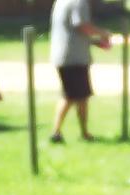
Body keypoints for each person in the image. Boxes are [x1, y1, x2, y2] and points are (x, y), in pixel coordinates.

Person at [49, 0, 111, 143]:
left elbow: (71, 31)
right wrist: (103, 33)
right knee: (72, 96)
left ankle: (82, 132)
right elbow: (82, 26)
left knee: (78, 96)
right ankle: (57, 132)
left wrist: (95, 42)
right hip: (74, 57)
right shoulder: (79, 2)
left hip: (66, 55)